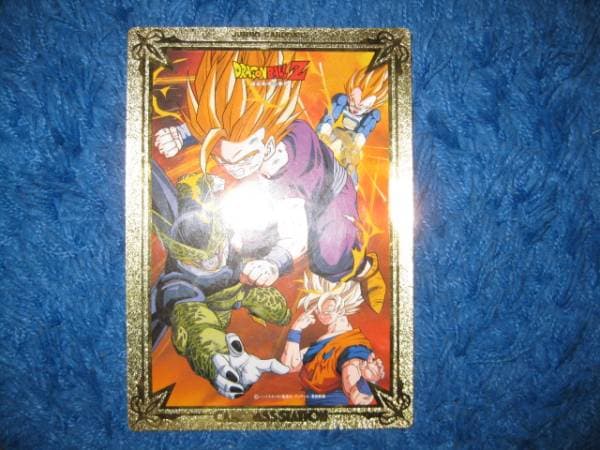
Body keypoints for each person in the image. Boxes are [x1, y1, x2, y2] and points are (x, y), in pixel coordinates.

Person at [154, 50, 386, 312]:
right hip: (275, 188)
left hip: (329, 195)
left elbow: (294, 234)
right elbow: (221, 122)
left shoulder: (290, 167)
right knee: (244, 235)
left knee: (329, 260)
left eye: (241, 161)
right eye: (223, 160)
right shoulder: (255, 122)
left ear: (269, 146)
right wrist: (181, 134)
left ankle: (366, 268)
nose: (232, 169)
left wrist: (274, 263)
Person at [279, 272, 385, 406]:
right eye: (317, 308)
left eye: (328, 307)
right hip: (312, 412)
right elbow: (289, 365)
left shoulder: (352, 347)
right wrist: (295, 329)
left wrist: (367, 382)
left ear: (342, 307)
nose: (321, 312)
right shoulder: (321, 344)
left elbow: (358, 399)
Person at [316, 65, 388, 185]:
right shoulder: (342, 100)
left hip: (351, 142)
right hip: (336, 134)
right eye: (353, 102)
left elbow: (364, 131)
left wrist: (357, 143)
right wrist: (325, 128)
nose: (354, 109)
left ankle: (350, 184)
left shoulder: (372, 115)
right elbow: (331, 114)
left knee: (349, 163)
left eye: (362, 107)